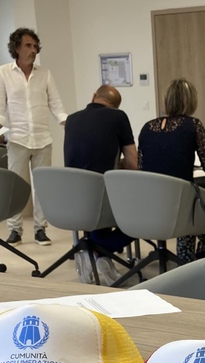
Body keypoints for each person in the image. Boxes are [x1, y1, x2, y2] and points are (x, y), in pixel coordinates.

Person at [0, 27, 68, 247]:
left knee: (42, 186)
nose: (33, 50)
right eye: (28, 46)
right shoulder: (3, 72)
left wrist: (68, 123)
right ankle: (15, 230)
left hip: (43, 139)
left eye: (35, 46)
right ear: (17, 47)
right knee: (16, 187)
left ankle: (40, 229)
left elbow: (57, 105)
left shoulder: (45, 74)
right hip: (18, 139)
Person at [138, 78, 205, 264]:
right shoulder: (193, 125)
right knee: (193, 206)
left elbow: (141, 168)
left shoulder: (147, 128)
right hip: (180, 205)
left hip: (150, 203)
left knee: (193, 208)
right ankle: (199, 259)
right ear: (190, 101)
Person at [63, 84, 138, 284]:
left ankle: (94, 252)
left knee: (97, 194)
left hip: (71, 199)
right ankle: (97, 250)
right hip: (101, 198)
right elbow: (133, 164)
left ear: (94, 96)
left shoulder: (71, 119)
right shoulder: (118, 117)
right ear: (115, 106)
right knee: (142, 215)